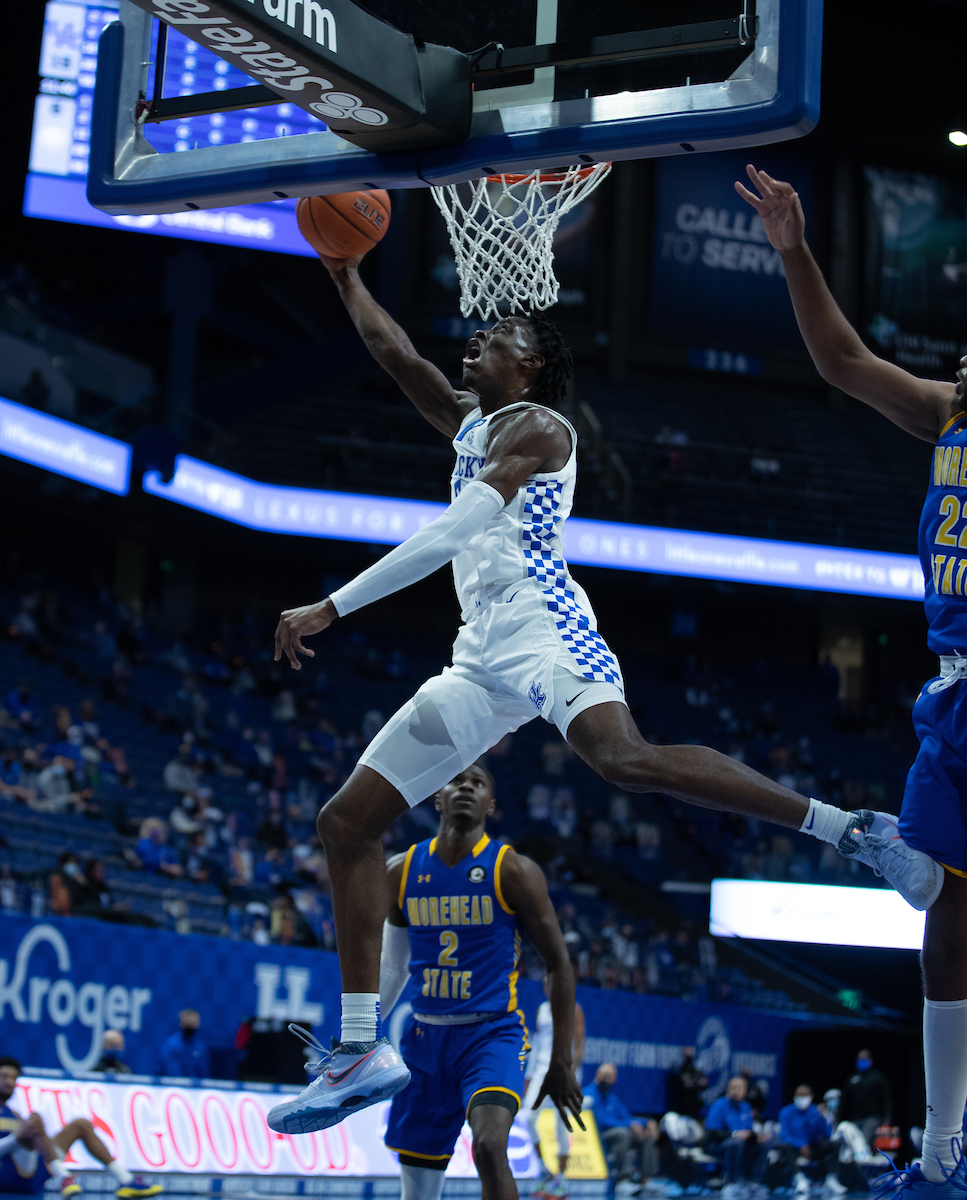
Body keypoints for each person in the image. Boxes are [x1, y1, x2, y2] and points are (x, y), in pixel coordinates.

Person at [269, 240, 941, 1132]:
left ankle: (850, 830)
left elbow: (453, 529)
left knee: (624, 760)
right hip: (479, 655)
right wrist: (347, 275)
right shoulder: (470, 421)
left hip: (547, 630)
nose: (476, 342)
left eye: (498, 336)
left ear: (536, 365)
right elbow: (398, 354)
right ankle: (360, 1048)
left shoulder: (543, 431)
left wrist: (332, 604)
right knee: (345, 823)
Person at [736, 163, 962, 1195]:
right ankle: (939, 1155)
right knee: (944, 920)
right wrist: (792, 246)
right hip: (950, 698)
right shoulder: (946, 412)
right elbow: (837, 358)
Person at [268, 763, 584, 1200]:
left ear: (491, 805)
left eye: (478, 784)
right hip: (424, 1040)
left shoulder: (512, 871)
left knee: (490, 1145)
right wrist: (356, 1039)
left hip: (491, 1035)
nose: (467, 788)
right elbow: (395, 967)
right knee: (417, 1187)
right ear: (438, 798)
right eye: (458, 780)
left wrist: (562, 1061)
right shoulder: (402, 870)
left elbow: (560, 964)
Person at [0, 1056, 158, 1198]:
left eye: (14, 1078)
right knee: (33, 1124)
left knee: (80, 1124)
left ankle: (125, 1179)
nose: (10, 1082)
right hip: (6, 1175)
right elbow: (19, 1139)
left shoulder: (15, 1114)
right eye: (5, 1076)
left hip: (31, 1171)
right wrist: (18, 1136)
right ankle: (63, 1176)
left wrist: (32, 1134)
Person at [524, 972, 586, 1198]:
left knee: (562, 1126)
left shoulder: (574, 1008)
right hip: (541, 1072)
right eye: (544, 984)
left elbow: (579, 1046)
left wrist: (573, 1076)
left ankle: (562, 1180)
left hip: (563, 1073)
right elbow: (539, 1045)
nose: (546, 988)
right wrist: (529, 1079)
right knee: (527, 1118)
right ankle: (543, 1170)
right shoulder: (541, 1010)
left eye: (549, 983)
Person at [583, 1063, 656, 1189]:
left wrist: (647, 1122)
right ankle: (623, 1179)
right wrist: (630, 1124)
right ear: (598, 1075)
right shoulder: (588, 1094)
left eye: (611, 1077)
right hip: (597, 1136)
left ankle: (646, 1179)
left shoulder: (611, 1097)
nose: (608, 1080)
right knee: (622, 1133)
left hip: (615, 1132)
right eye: (605, 1076)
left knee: (645, 1135)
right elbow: (601, 1121)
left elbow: (626, 1117)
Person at [704, 1075, 768, 1200]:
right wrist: (735, 1134)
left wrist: (756, 1137)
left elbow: (748, 1131)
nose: (736, 1090)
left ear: (745, 1091)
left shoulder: (745, 1107)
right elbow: (712, 1133)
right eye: (733, 1087)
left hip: (740, 1144)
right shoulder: (719, 1105)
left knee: (762, 1147)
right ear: (728, 1089)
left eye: (739, 1087)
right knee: (735, 1143)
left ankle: (753, 1183)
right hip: (716, 1144)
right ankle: (731, 1183)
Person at [777, 1083, 843, 1199]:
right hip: (795, 1148)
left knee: (834, 1144)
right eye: (800, 1095)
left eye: (805, 1095)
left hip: (812, 1148)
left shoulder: (815, 1111)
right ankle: (799, 1179)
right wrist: (801, 1145)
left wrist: (823, 1117)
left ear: (811, 1097)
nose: (802, 1099)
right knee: (784, 1146)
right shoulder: (786, 1112)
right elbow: (784, 1135)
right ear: (795, 1096)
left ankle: (831, 1179)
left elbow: (827, 1135)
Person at [839, 1049, 892, 1152]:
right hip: (855, 1118)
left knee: (863, 1143)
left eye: (865, 1058)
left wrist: (887, 1117)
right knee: (852, 1145)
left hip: (872, 1118)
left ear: (870, 1060)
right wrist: (840, 1118)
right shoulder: (853, 1078)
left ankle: (865, 1167)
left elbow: (886, 1098)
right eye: (860, 1058)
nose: (862, 1060)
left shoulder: (877, 1077)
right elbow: (844, 1100)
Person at [158, 1009, 209, 1078]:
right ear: (181, 1023)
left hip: (195, 1087)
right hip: (172, 1087)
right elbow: (172, 1072)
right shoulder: (171, 1045)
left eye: (194, 1023)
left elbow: (203, 1073)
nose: (191, 1025)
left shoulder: (200, 1047)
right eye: (188, 1023)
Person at [667, 1047, 706, 1119]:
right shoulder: (680, 1070)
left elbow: (704, 1084)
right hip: (682, 1106)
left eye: (692, 1050)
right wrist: (696, 1084)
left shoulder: (697, 1071)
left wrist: (693, 1084)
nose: (690, 1053)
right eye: (687, 1050)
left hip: (695, 1107)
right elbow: (683, 1086)